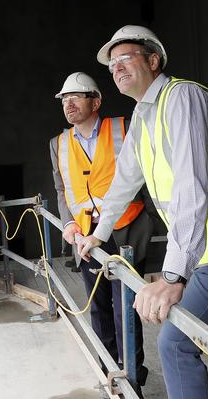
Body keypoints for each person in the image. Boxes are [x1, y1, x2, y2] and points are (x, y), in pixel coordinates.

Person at [78, 25, 208, 398]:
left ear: (153, 61)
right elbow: (123, 181)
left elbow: (190, 187)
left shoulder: (182, 97)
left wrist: (173, 276)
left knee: (176, 342)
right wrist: (100, 233)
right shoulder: (142, 116)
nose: (117, 67)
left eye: (126, 58)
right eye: (112, 64)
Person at [49, 72, 152, 390]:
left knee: (127, 305)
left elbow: (147, 174)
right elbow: (61, 187)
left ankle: (132, 377)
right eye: (65, 99)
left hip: (127, 229)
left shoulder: (124, 127)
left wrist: (154, 218)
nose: (69, 104)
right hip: (86, 234)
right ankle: (107, 371)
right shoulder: (58, 143)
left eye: (76, 97)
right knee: (97, 303)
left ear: (96, 101)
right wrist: (67, 222)